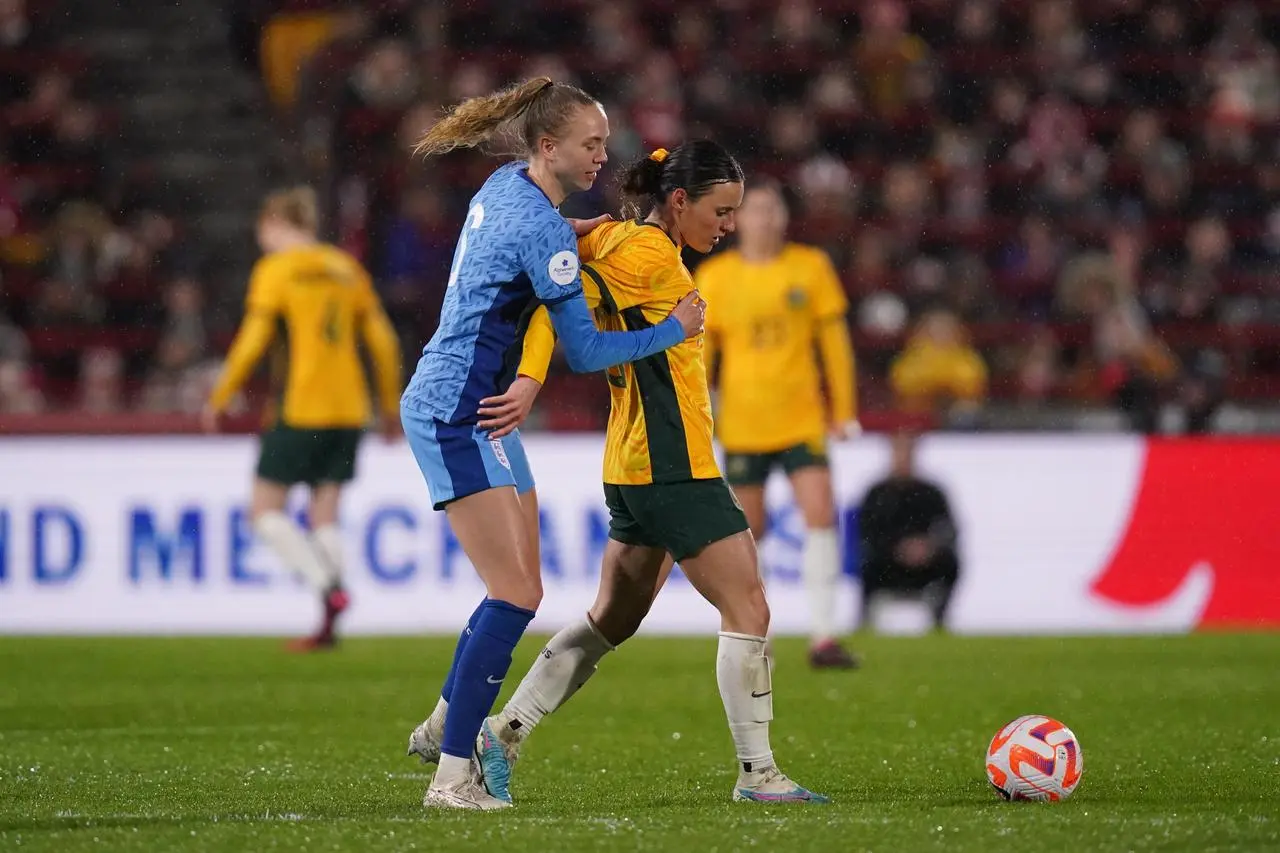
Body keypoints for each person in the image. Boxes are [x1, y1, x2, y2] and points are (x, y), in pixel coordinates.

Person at [428, 141, 830, 806]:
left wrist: (569, 232)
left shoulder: (621, 239)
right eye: (720, 210)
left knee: (612, 618)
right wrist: (529, 378)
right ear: (678, 202)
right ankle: (758, 773)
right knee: (748, 606)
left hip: (633, 464)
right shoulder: (644, 254)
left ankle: (504, 730)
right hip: (675, 466)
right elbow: (560, 303)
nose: (727, 225)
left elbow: (554, 278)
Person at [398, 78, 704, 811]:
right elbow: (591, 352)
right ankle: (451, 774)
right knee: (516, 593)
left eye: (604, 140)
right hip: (455, 411)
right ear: (547, 146)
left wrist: (580, 227)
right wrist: (675, 330)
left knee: (522, 585)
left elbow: (532, 243)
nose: (604, 153)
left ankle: (446, 716)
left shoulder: (506, 186)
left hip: (484, 411)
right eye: (590, 143)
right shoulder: (539, 226)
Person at [202, 186, 402, 652]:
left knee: (263, 510)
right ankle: (329, 624)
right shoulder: (347, 268)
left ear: (274, 223)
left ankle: (327, 587)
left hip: (300, 407)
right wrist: (389, 406)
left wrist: (221, 394)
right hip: (350, 409)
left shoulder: (277, 270)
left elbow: (253, 339)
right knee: (324, 512)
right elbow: (384, 342)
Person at [694, 179, 861, 669]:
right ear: (737, 219)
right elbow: (702, 357)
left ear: (784, 217)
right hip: (744, 421)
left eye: (773, 208)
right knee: (750, 532)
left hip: (802, 418)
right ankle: (753, 635)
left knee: (820, 512)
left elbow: (835, 346)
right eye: (756, 210)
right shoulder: (718, 277)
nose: (765, 218)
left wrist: (844, 410)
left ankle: (823, 636)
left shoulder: (810, 268)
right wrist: (698, 416)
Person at [856, 430, 960, 632]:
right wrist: (897, 548)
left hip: (926, 564)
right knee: (868, 564)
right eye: (898, 452)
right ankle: (864, 620)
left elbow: (949, 529)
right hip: (887, 564)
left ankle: (940, 619)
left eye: (907, 452)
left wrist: (929, 546)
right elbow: (866, 533)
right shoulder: (877, 493)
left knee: (951, 563)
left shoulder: (931, 492)